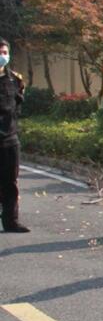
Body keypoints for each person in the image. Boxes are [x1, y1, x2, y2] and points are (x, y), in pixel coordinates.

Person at [0, 38, 28, 233]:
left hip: (9, 139)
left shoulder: (15, 79)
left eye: (4, 52)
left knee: (10, 182)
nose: (3, 56)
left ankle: (11, 221)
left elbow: (17, 105)